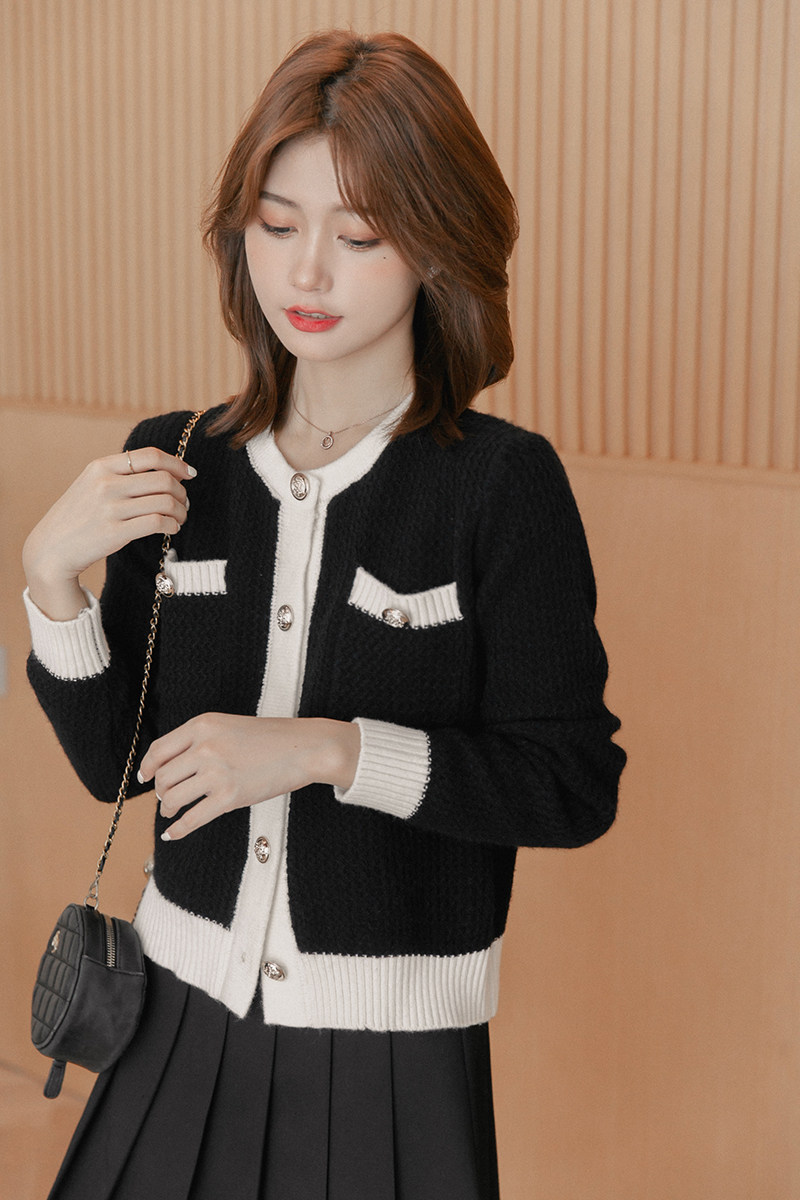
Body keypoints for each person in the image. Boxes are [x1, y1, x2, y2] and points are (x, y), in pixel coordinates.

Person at [23, 29, 625, 1200]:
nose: (305, 274)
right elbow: (117, 767)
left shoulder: (497, 487)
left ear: (434, 245)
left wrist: (327, 752)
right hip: (171, 1018)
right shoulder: (177, 462)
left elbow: (568, 785)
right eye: (275, 223)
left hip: (391, 1058)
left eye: (357, 237)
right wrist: (50, 582)